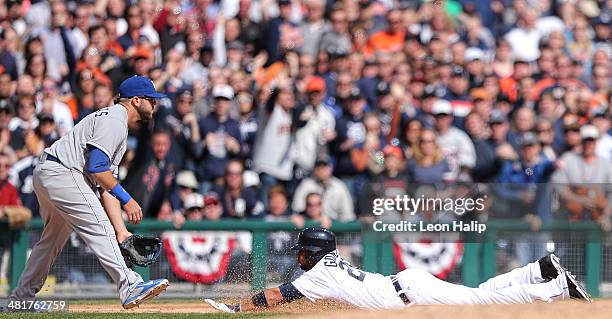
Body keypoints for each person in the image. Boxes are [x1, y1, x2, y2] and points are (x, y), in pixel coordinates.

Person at [9, 76, 169, 309]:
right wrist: (128, 200)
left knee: (51, 241)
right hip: (64, 173)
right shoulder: (115, 119)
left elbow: (106, 184)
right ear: (135, 100)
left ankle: (20, 299)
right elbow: (97, 168)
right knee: (98, 225)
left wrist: (122, 232)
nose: (154, 104)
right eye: (151, 100)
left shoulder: (115, 120)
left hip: (50, 171)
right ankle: (130, 285)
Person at [205, 227, 591, 313]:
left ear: (312, 252)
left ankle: (553, 286)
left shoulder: (317, 274)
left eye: (302, 250)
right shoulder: (325, 267)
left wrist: (238, 308)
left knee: (481, 300)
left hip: (410, 293)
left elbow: (275, 296)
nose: (298, 256)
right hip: (405, 287)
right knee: (477, 293)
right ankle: (535, 269)